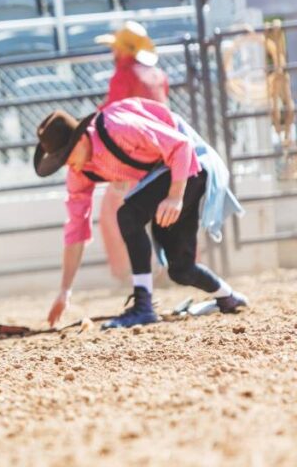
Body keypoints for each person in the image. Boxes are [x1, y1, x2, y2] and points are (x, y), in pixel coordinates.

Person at [35, 98, 247, 329]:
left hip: (191, 165)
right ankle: (228, 297)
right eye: (60, 161)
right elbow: (76, 227)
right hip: (172, 175)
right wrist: (65, 290)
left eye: (66, 156)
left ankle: (143, 307)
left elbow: (181, 146)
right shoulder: (80, 171)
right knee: (181, 269)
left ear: (81, 138)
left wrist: (175, 197)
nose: (68, 165)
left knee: (129, 215)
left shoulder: (118, 127)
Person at [93, 21, 171, 283]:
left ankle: (127, 273)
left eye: (116, 48)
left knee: (113, 214)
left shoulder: (123, 76)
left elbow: (112, 114)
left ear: (124, 50)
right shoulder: (156, 74)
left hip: (136, 158)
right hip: (165, 154)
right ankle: (173, 266)